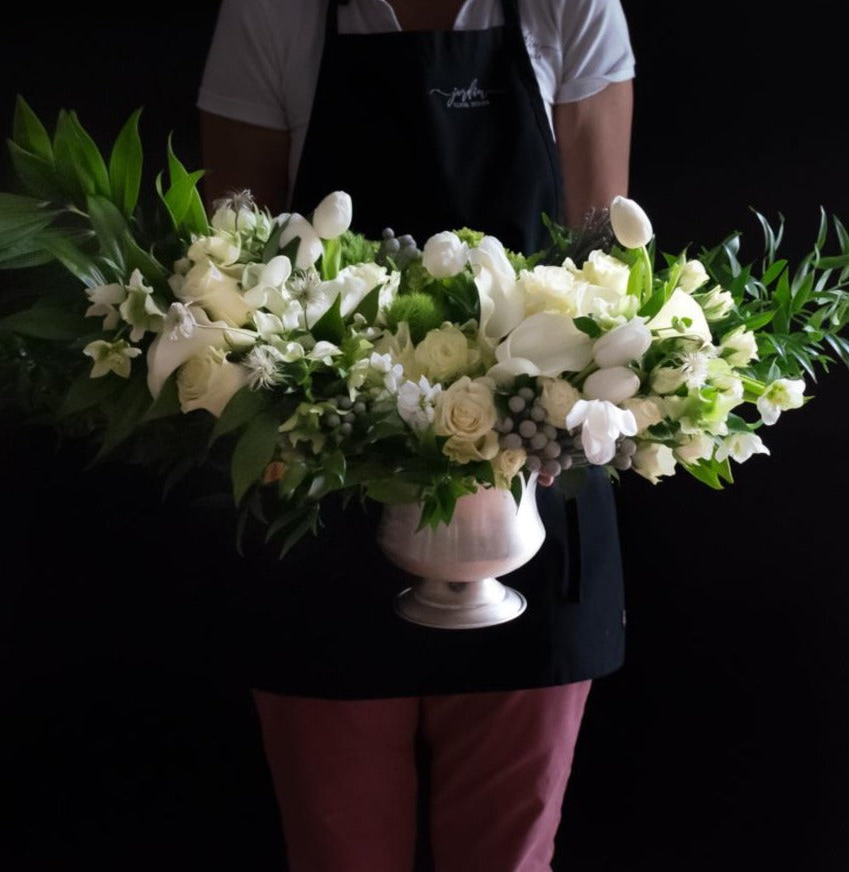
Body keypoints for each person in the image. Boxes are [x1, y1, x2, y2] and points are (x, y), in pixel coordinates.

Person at [196, 1, 635, 870]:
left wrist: (561, 410)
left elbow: (607, 268)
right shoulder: (273, 12)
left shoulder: (571, 7)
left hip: (527, 494)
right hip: (317, 495)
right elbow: (227, 279)